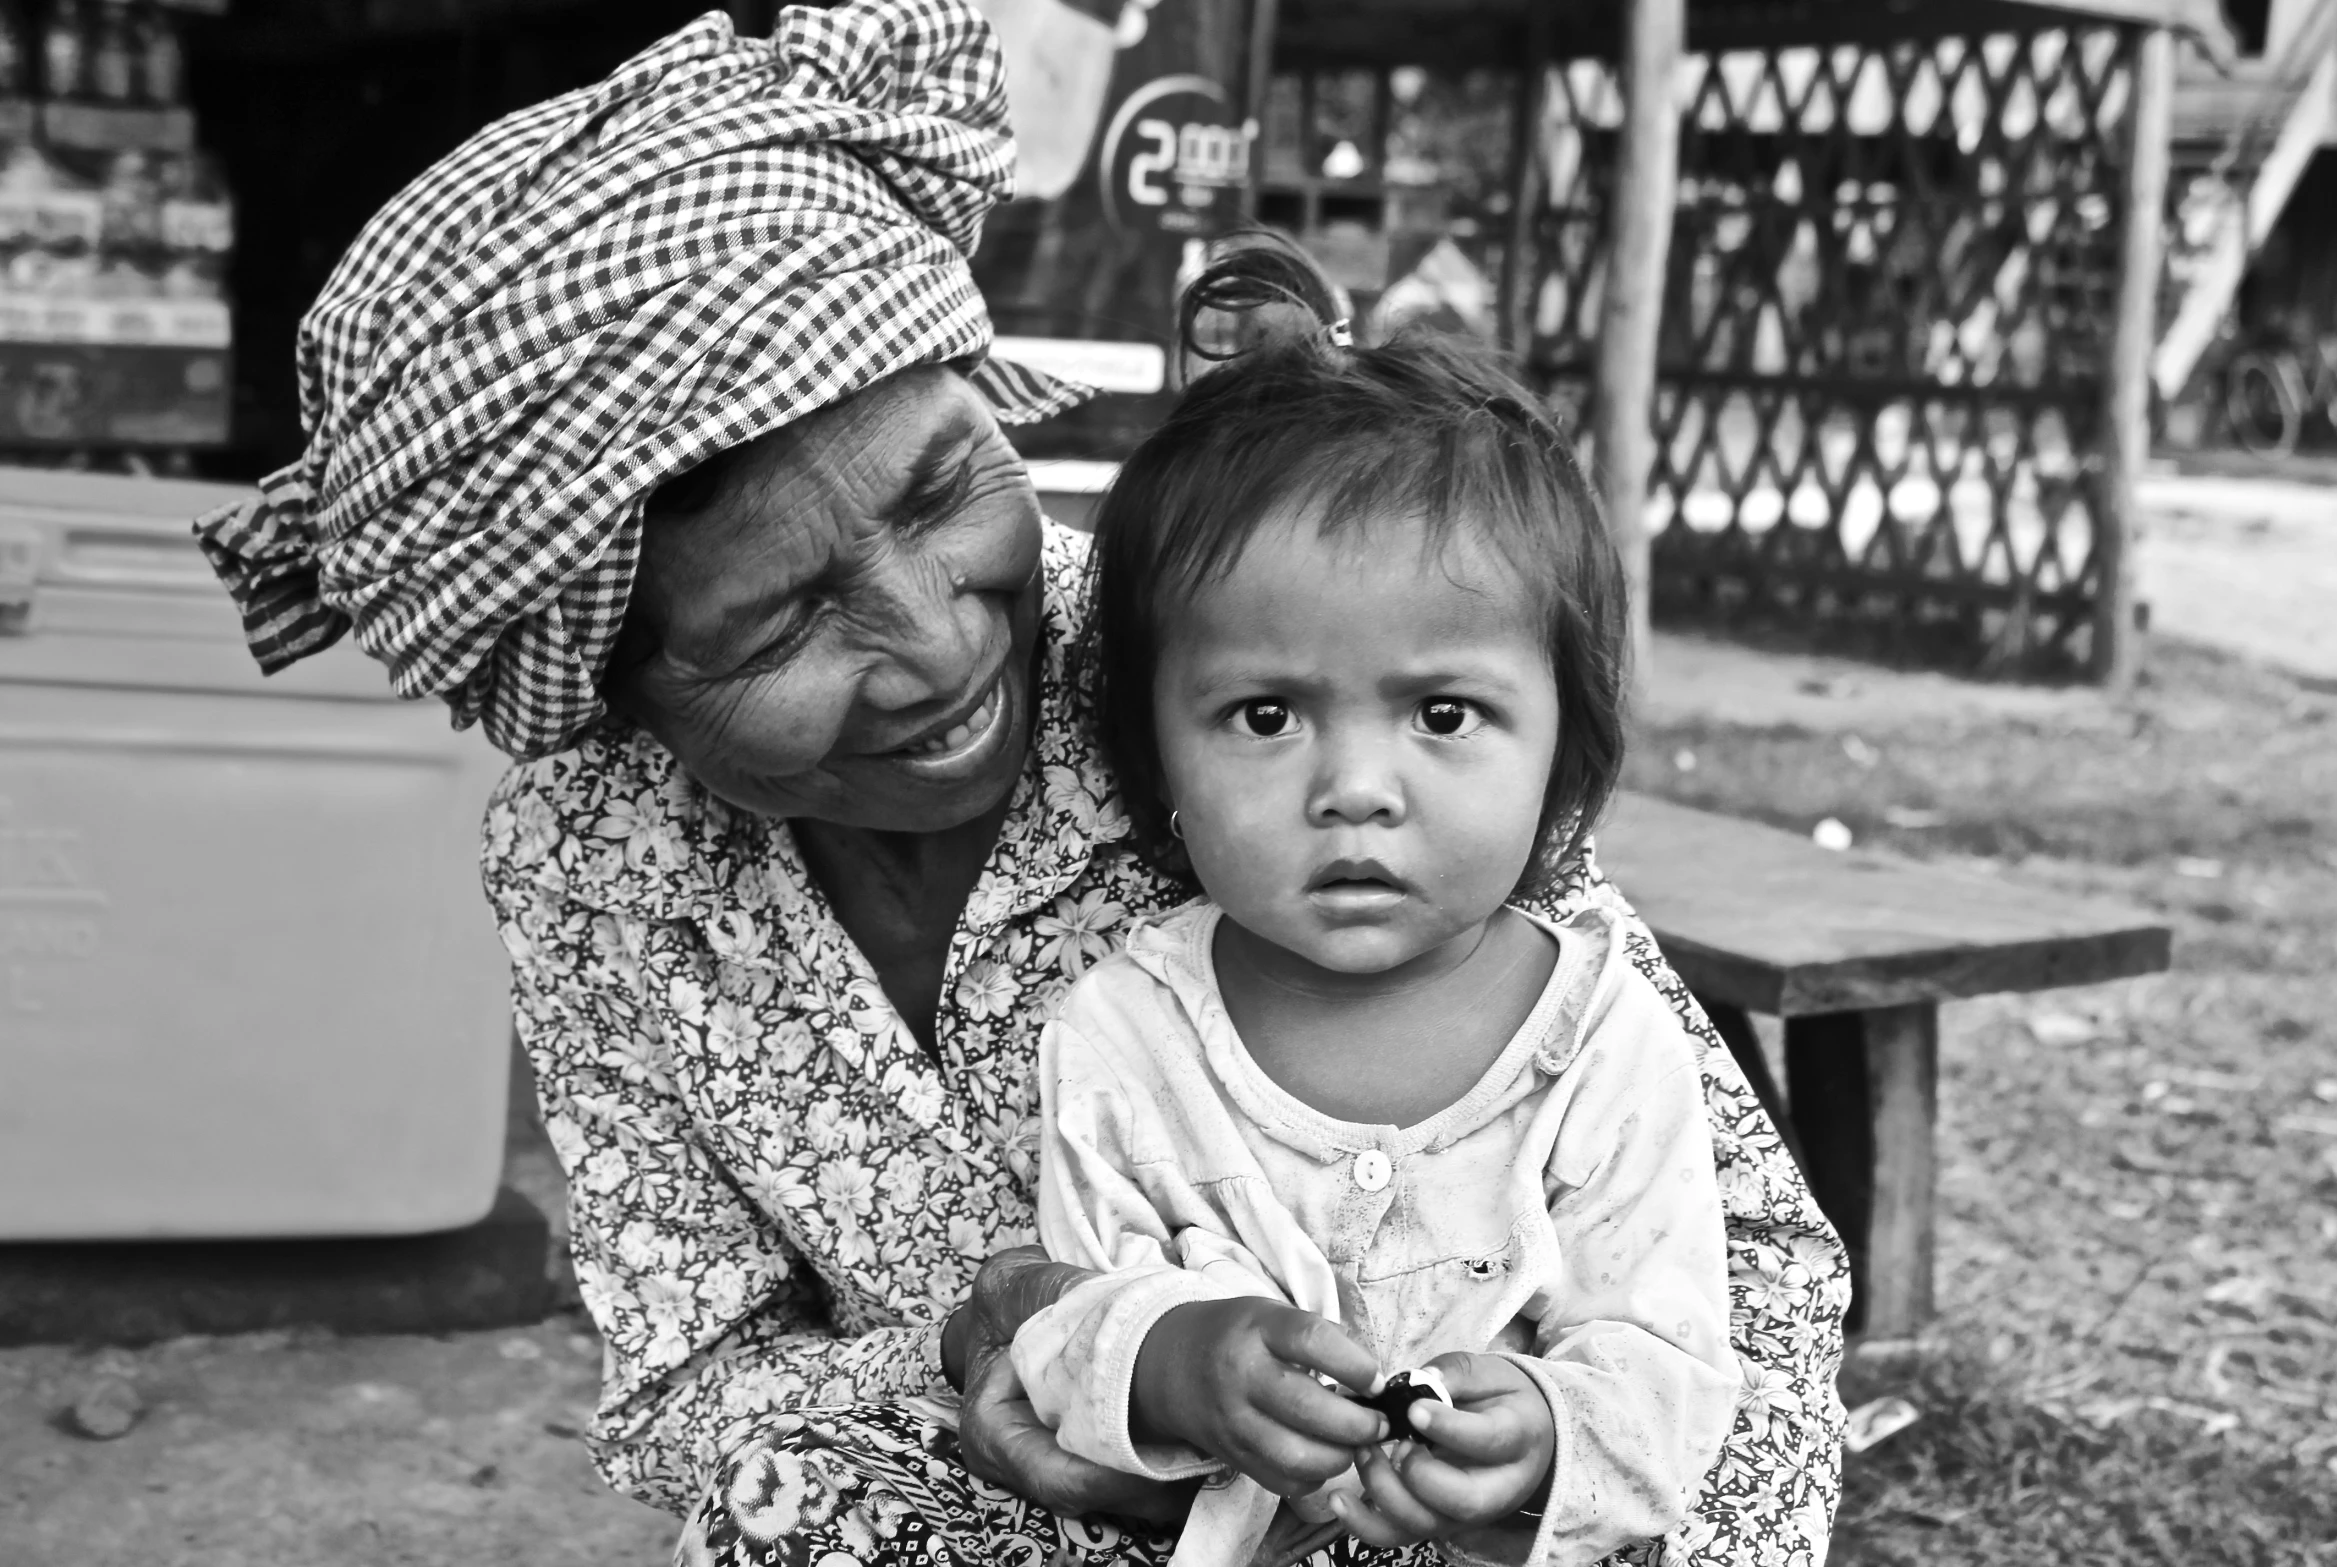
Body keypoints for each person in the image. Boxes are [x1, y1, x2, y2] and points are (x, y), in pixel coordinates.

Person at [188, 5, 1849, 1566]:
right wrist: (1023, 1387)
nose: (933, 644)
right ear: (613, 688)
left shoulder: (1252, 659)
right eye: (781, 620)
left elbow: (1753, 1294)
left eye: (939, 489)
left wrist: (1544, 1464)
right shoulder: (589, 858)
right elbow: (699, 1377)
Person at [994, 246, 1737, 1567]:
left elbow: (1675, 1366)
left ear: (1562, 747)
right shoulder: (1122, 1038)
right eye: (1264, 714)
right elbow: (1067, 1320)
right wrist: (1164, 1360)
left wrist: (1554, 1428)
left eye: (1442, 714)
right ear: (1152, 755)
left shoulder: (1602, 1046)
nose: (1350, 787)